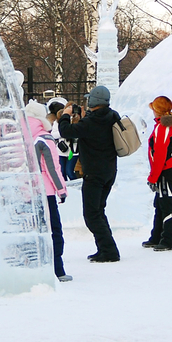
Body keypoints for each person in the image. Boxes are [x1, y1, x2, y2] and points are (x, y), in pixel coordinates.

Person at [58, 85, 121, 263]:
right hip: (109, 171)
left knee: (91, 215)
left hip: (93, 173)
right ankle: (104, 249)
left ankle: (109, 251)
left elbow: (66, 131)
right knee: (99, 211)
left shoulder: (90, 122)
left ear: (92, 101)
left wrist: (65, 115)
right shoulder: (112, 116)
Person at [25, 100, 71, 282]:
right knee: (53, 230)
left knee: (31, 231)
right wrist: (62, 190)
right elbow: (53, 168)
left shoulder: (20, 135)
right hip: (46, 193)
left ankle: (31, 268)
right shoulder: (44, 138)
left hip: (25, 192)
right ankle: (57, 270)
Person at [143, 96, 172, 252]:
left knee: (166, 203)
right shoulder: (169, 125)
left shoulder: (163, 127)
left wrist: (153, 177)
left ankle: (168, 240)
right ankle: (157, 236)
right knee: (160, 202)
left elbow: (160, 155)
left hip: (166, 170)